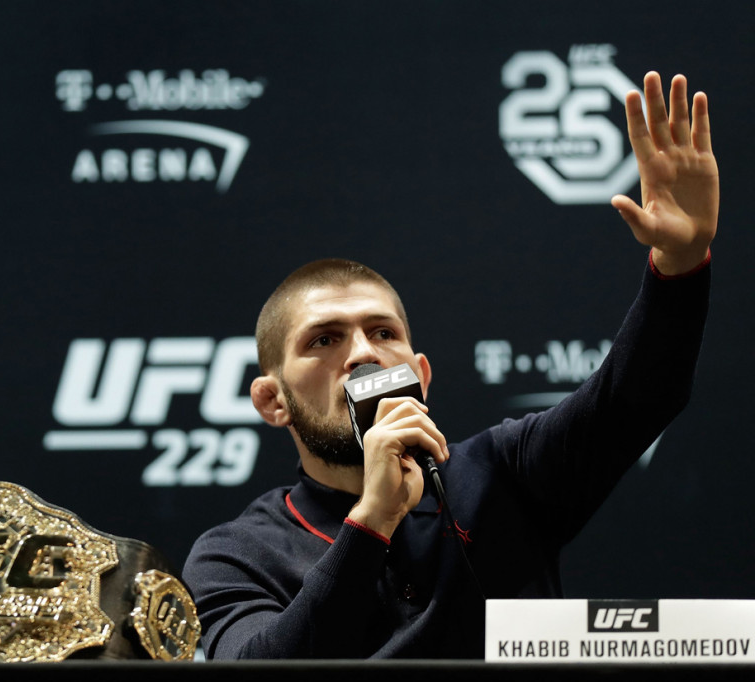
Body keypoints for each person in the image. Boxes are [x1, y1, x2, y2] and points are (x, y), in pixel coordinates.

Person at [181, 71, 718, 659]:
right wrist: (373, 521)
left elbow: (637, 397)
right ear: (271, 399)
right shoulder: (234, 554)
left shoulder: (502, 471)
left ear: (422, 373)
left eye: (382, 332)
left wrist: (680, 263)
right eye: (324, 340)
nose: (361, 353)